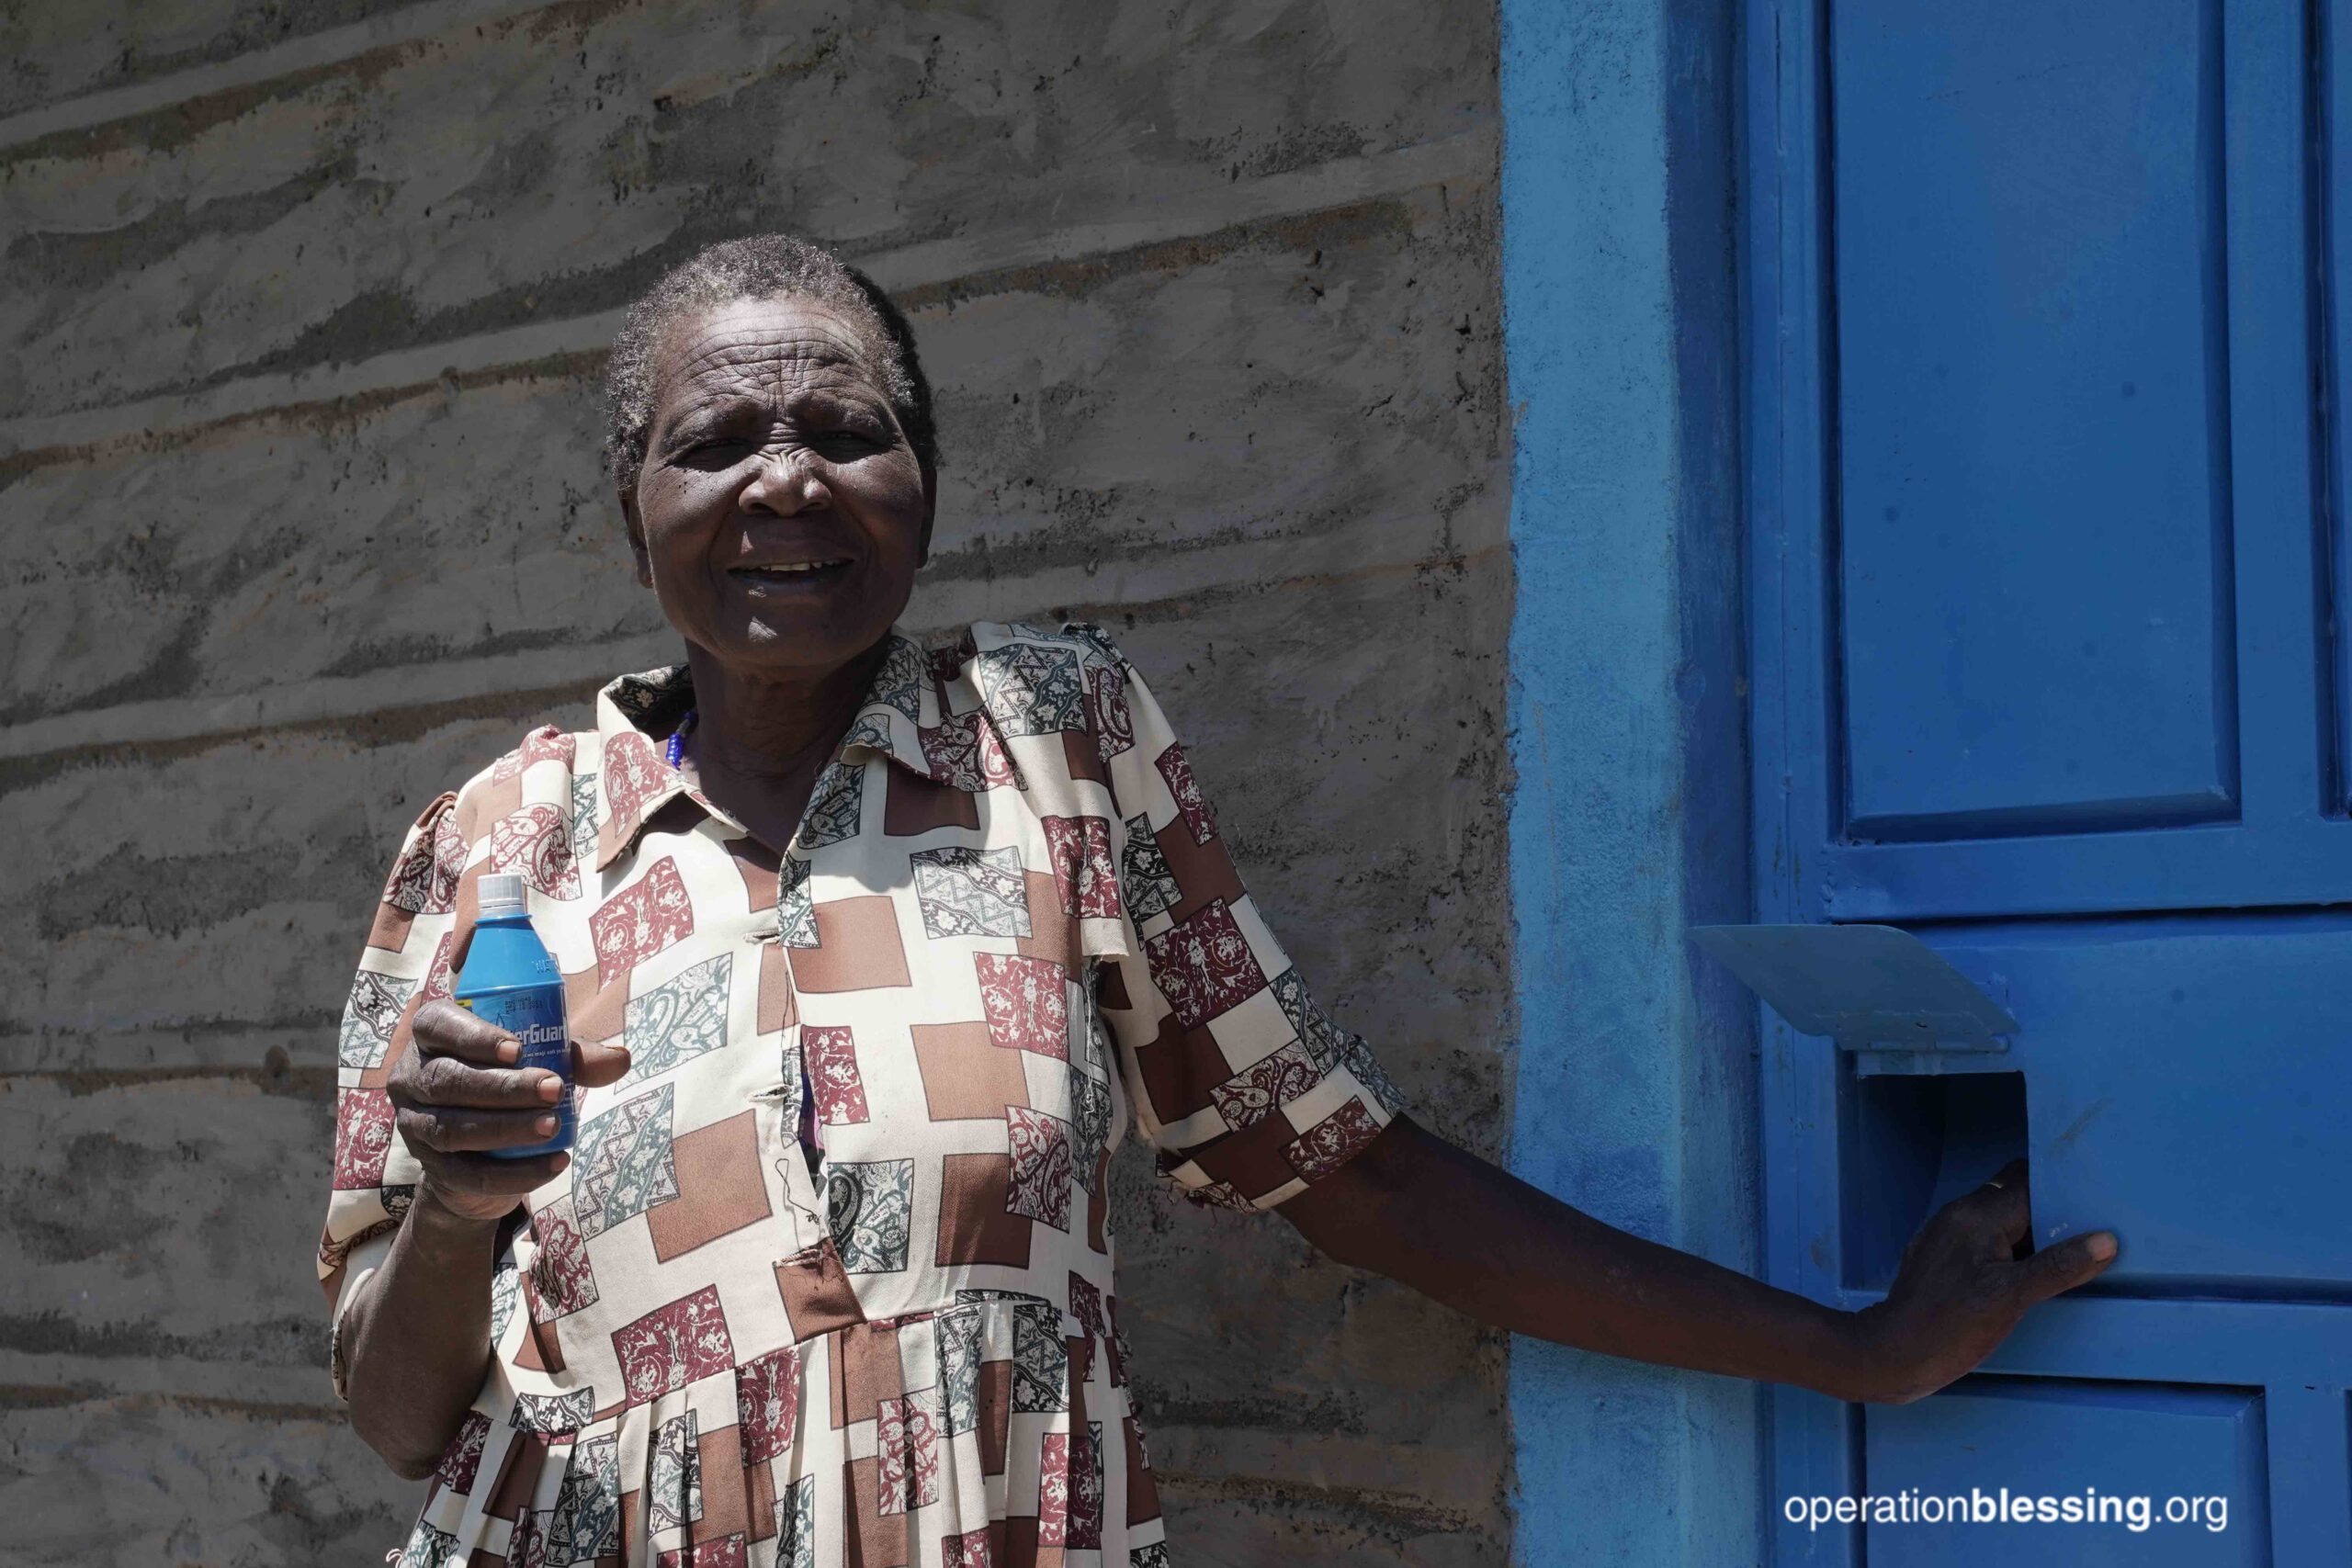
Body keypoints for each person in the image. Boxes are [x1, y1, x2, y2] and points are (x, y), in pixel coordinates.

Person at [317, 235, 2118, 1567]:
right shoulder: (498, 840)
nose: (784, 475)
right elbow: (401, 1413)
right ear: (632, 512)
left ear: (922, 487)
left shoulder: (1051, 740)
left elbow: (1335, 1160)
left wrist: (1845, 1346)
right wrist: (465, 1208)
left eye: (842, 427)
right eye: (714, 440)